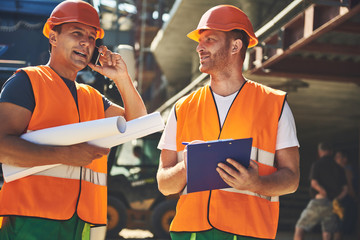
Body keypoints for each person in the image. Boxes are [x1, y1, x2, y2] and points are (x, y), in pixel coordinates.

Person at [0, 0, 146, 239]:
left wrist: (121, 78)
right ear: (53, 37)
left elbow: (139, 124)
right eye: (77, 33)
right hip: (32, 221)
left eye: (91, 37)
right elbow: (2, 146)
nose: (86, 42)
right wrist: (64, 155)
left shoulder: (92, 97)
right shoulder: (27, 82)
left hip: (84, 222)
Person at [157, 5, 300, 240]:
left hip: (248, 232)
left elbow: (292, 179)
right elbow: (164, 184)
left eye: (209, 40)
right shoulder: (183, 108)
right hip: (190, 232)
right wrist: (187, 166)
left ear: (235, 46)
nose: (199, 47)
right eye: (200, 41)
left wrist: (256, 183)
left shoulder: (275, 104)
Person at [294, 143, 348, 240]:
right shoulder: (340, 168)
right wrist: (336, 198)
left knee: (300, 227)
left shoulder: (317, 164)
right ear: (331, 152)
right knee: (328, 232)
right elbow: (345, 189)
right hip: (332, 203)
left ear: (320, 152)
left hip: (319, 201)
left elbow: (314, 183)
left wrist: (323, 192)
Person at [334, 150, 358, 236]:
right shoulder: (338, 170)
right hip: (342, 200)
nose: (336, 159)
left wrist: (354, 197)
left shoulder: (346, 170)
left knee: (340, 228)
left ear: (345, 159)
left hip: (346, 200)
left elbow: (349, 186)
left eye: (338, 157)